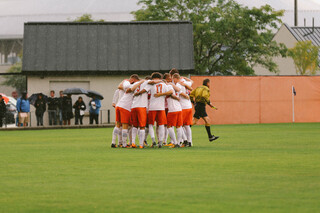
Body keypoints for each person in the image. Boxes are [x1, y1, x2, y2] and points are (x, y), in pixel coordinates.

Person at [112, 74, 140, 148]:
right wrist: (141, 82)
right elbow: (124, 87)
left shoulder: (125, 83)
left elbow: (119, 87)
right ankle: (124, 144)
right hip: (125, 107)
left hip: (119, 105)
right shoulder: (129, 84)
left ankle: (113, 142)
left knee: (118, 125)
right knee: (125, 125)